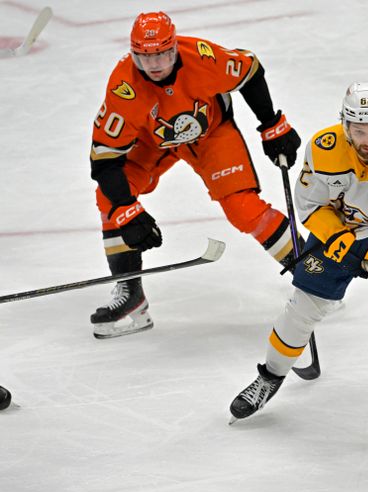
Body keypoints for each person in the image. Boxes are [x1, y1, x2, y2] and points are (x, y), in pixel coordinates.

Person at [229, 82, 368, 435]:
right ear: (345, 125)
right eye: (359, 130)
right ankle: (271, 376)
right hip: (346, 228)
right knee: (304, 306)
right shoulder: (323, 150)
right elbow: (308, 206)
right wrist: (338, 236)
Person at [89, 12, 302, 339]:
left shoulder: (203, 56)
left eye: (162, 53)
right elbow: (104, 161)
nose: (155, 64)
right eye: (145, 57)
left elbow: (250, 70)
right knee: (110, 198)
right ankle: (132, 294)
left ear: (174, 48)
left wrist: (271, 123)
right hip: (152, 142)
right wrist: (126, 210)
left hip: (211, 134)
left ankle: (314, 274)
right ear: (134, 55)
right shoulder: (123, 87)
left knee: (243, 208)